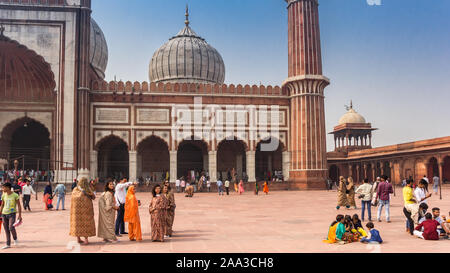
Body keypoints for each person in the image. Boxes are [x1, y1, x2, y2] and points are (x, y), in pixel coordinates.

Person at [69, 178, 96, 245]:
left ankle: (78, 238)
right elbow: (93, 197)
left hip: (76, 212)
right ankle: (86, 240)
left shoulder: (75, 189)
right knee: (85, 224)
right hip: (86, 211)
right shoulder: (87, 189)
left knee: (78, 224)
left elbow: (73, 197)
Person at [0, 183, 22, 249]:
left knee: (11, 227)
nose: (2, 189)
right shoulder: (3, 195)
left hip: (12, 214)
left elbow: (19, 205)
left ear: (8, 188)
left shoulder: (15, 195)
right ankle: (8, 244)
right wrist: (0, 212)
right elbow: (2, 205)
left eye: (3, 187)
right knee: (6, 229)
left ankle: (15, 238)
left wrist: (20, 215)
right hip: (4, 214)